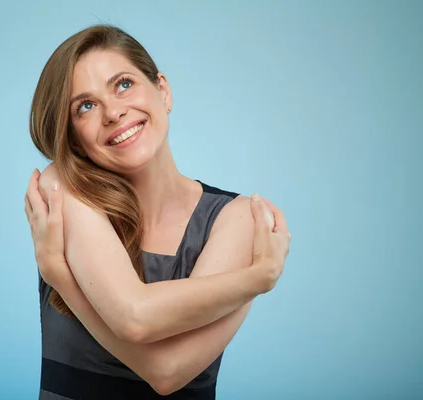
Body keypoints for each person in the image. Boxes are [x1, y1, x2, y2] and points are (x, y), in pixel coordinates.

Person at [24, 25, 291, 399]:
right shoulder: (64, 189)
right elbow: (134, 316)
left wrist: (60, 275)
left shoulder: (239, 217)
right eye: (86, 106)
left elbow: (167, 373)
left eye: (123, 84)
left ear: (162, 90)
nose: (113, 112)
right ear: (72, 137)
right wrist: (259, 278)